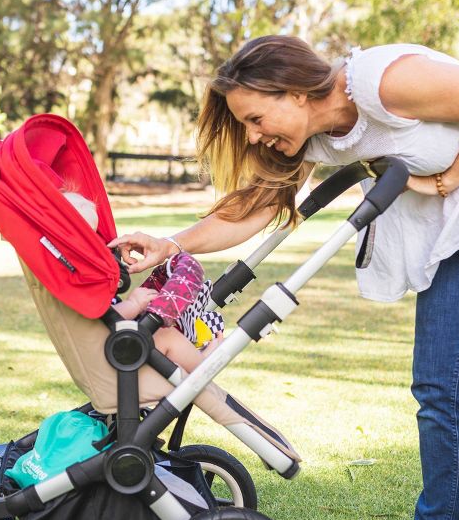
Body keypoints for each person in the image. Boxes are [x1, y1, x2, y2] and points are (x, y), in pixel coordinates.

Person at [108, 35, 459, 520]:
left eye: (256, 119)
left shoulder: (384, 81)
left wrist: (446, 181)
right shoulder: (312, 139)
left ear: (295, 92)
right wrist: (170, 244)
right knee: (438, 389)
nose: (253, 136)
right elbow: (254, 209)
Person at [60, 187, 300, 464]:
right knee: (165, 336)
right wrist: (134, 304)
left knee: (167, 323)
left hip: (109, 346)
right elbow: (100, 315)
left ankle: (192, 353)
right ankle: (201, 365)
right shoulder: (76, 277)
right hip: (113, 353)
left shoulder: (69, 273)